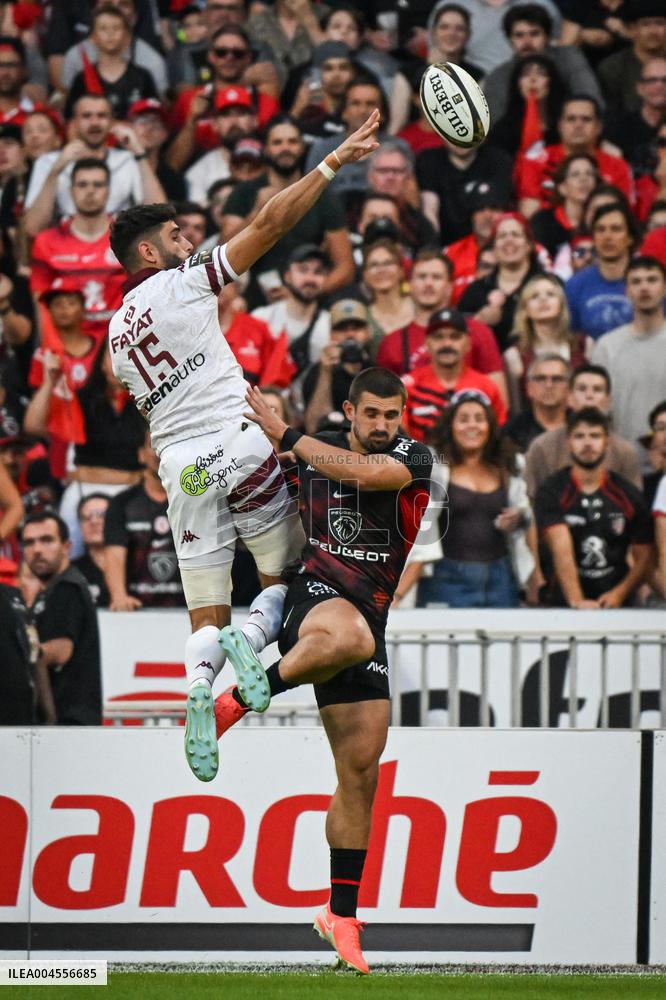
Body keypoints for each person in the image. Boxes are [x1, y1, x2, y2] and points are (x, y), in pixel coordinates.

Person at [107, 110, 380, 782]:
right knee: (282, 577)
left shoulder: (114, 336)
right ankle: (252, 646)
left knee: (203, 605)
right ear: (150, 254)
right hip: (237, 442)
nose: (186, 241)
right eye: (175, 236)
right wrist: (329, 164)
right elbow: (268, 224)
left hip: (181, 469)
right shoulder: (182, 283)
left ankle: (199, 686)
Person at [213, 367, 433, 975]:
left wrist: (287, 434)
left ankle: (340, 914)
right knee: (348, 637)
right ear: (350, 411)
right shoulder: (307, 455)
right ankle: (243, 697)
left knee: (360, 774)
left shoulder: (414, 457)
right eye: (373, 414)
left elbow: (367, 474)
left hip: (370, 617)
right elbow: (231, 485)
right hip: (314, 601)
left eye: (392, 414)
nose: (384, 425)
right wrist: (206, 461)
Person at [409, 389, 534, 608]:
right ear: (450, 425)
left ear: (490, 425)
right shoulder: (434, 466)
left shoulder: (509, 465)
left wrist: (518, 518)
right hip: (446, 578)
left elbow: (527, 515)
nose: (472, 426)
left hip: (501, 577)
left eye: (479, 419)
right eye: (463, 419)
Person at [223, 115, 354, 307]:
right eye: (277, 142)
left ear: (302, 147)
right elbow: (222, 254)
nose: (285, 148)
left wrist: (303, 293)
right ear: (266, 149)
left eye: (292, 142)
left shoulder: (322, 196)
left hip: (308, 303)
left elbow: (345, 268)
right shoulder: (244, 193)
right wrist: (256, 212)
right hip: (254, 304)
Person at [535, 408, 653, 608]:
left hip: (617, 603)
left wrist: (620, 593)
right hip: (562, 605)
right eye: (579, 436)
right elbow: (561, 548)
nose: (587, 443)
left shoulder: (629, 494)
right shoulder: (551, 490)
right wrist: (578, 601)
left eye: (595, 436)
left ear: (607, 441)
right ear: (568, 442)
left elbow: (645, 556)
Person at [23, 94, 166, 238]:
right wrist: (56, 170)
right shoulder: (49, 162)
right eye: (86, 116)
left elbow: (160, 216)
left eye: (102, 116)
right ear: (74, 122)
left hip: (116, 246)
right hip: (66, 247)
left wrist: (139, 153)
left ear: (112, 122)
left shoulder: (128, 159)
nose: (95, 122)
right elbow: (33, 228)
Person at [376, 248, 507, 400]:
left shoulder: (477, 331)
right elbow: (383, 404)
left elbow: (499, 399)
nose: (428, 283)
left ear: (450, 287)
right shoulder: (392, 343)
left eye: (436, 277)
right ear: (410, 285)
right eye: (421, 277)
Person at [30, 158, 125, 341]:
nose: (90, 191)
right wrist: (53, 351)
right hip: (68, 346)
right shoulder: (46, 242)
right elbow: (41, 308)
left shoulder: (126, 238)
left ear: (108, 190)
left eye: (98, 185)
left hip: (120, 344)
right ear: (71, 190)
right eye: (82, 185)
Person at [22, 510, 102, 725]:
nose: (37, 549)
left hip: (68, 723)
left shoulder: (67, 587)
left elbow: (60, 651)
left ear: (67, 546)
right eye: (29, 542)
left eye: (46, 540)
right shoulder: (51, 590)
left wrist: (15, 655)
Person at [525, 363, 642, 500]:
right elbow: (531, 499)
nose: (589, 396)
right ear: (569, 397)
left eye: (597, 390)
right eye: (582, 389)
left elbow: (634, 502)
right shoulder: (542, 447)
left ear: (608, 400)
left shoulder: (625, 452)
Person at [104, 431, 184, 611]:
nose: (160, 451)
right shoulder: (121, 503)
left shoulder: (193, 502)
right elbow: (114, 554)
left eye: (167, 443)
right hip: (137, 609)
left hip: (188, 608)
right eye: (154, 444)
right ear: (141, 454)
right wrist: (119, 596)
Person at [483, 2, 603, 123]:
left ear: (547, 37)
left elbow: (592, 102)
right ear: (510, 40)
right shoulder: (498, 77)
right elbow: (496, 125)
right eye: (519, 35)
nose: (527, 42)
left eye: (534, 34)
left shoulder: (568, 58)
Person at [592, 256, 666, 448]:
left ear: (664, 287)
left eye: (652, 280)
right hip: (624, 455)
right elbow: (598, 411)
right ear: (626, 290)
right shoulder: (607, 347)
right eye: (636, 281)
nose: (644, 287)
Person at [517, 96, 634, 218]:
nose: (578, 125)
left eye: (586, 119)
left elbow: (625, 214)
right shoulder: (536, 161)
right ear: (560, 126)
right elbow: (529, 212)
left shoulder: (618, 166)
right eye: (571, 119)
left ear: (599, 127)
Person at [403, 308, 507, 442]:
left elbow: (498, 435)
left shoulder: (486, 387)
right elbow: (399, 436)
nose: (447, 344)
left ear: (468, 344)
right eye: (438, 337)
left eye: (455, 337)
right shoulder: (408, 386)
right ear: (427, 344)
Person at [458, 212, 544, 351]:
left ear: (529, 245)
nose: (509, 240)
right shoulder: (476, 290)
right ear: (494, 248)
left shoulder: (548, 285)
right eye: (502, 236)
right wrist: (478, 320)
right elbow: (457, 335)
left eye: (516, 235)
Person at [504, 274, 586, 412]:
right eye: (534, 296)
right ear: (525, 309)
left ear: (561, 304)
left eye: (550, 294)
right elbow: (515, 409)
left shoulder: (583, 344)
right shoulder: (514, 355)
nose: (543, 299)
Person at [63, 5, 159, 122]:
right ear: (92, 38)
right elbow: (71, 121)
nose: (110, 33)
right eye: (103, 28)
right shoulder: (81, 79)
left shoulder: (143, 77)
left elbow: (155, 118)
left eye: (116, 28)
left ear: (127, 37)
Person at [417, 134, 513, 245]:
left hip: (489, 241)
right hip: (445, 243)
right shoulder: (429, 160)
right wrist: (432, 246)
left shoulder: (498, 160)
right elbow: (429, 210)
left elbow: (498, 211)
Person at [251, 243, 331, 372]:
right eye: (303, 270)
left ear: (325, 278)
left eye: (318, 272)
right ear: (287, 276)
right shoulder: (261, 318)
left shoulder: (330, 324)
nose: (310, 279)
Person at [565, 203, 636, 342]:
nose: (607, 236)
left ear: (630, 237)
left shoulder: (649, 281)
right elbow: (573, 339)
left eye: (616, 229)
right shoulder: (575, 286)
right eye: (600, 229)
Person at [305, 78, 386, 196]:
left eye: (370, 104)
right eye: (355, 103)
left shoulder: (397, 148)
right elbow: (308, 194)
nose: (363, 110)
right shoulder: (321, 150)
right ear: (344, 112)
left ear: (382, 113)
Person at [302, 298, 372, 433]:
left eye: (356, 328)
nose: (350, 334)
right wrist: (325, 371)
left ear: (367, 332)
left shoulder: (378, 372)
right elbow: (314, 428)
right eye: (342, 329)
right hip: (331, 442)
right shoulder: (318, 372)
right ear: (331, 334)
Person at [596, 3, 666, 113]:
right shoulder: (612, 68)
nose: (653, 31)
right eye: (645, 24)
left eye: (659, 23)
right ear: (633, 29)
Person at [531, 154, 599, 260]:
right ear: (562, 188)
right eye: (575, 174)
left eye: (589, 174)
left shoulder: (603, 219)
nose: (584, 179)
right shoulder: (542, 221)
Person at [504, 354, 570, 453]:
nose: (549, 385)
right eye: (541, 379)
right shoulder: (511, 433)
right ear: (529, 388)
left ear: (569, 388)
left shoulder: (584, 427)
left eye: (556, 379)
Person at [362, 238, 413, 339]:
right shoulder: (362, 318)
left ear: (401, 271)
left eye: (388, 263)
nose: (381, 270)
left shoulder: (421, 307)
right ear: (365, 275)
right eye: (374, 265)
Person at [72, 493, 110, 608]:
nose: (94, 522)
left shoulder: (137, 566)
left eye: (102, 516)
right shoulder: (71, 571)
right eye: (86, 518)